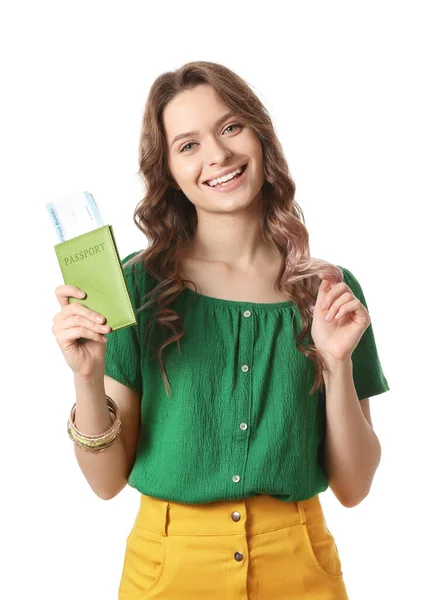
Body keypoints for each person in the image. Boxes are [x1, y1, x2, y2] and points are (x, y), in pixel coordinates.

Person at [52, 61, 390, 599]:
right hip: (168, 573)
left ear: (260, 136)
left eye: (231, 127)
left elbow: (354, 487)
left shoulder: (328, 290)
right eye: (188, 145)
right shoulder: (137, 285)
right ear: (167, 169)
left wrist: (338, 363)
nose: (218, 156)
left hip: (301, 570)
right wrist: (87, 379)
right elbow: (105, 483)